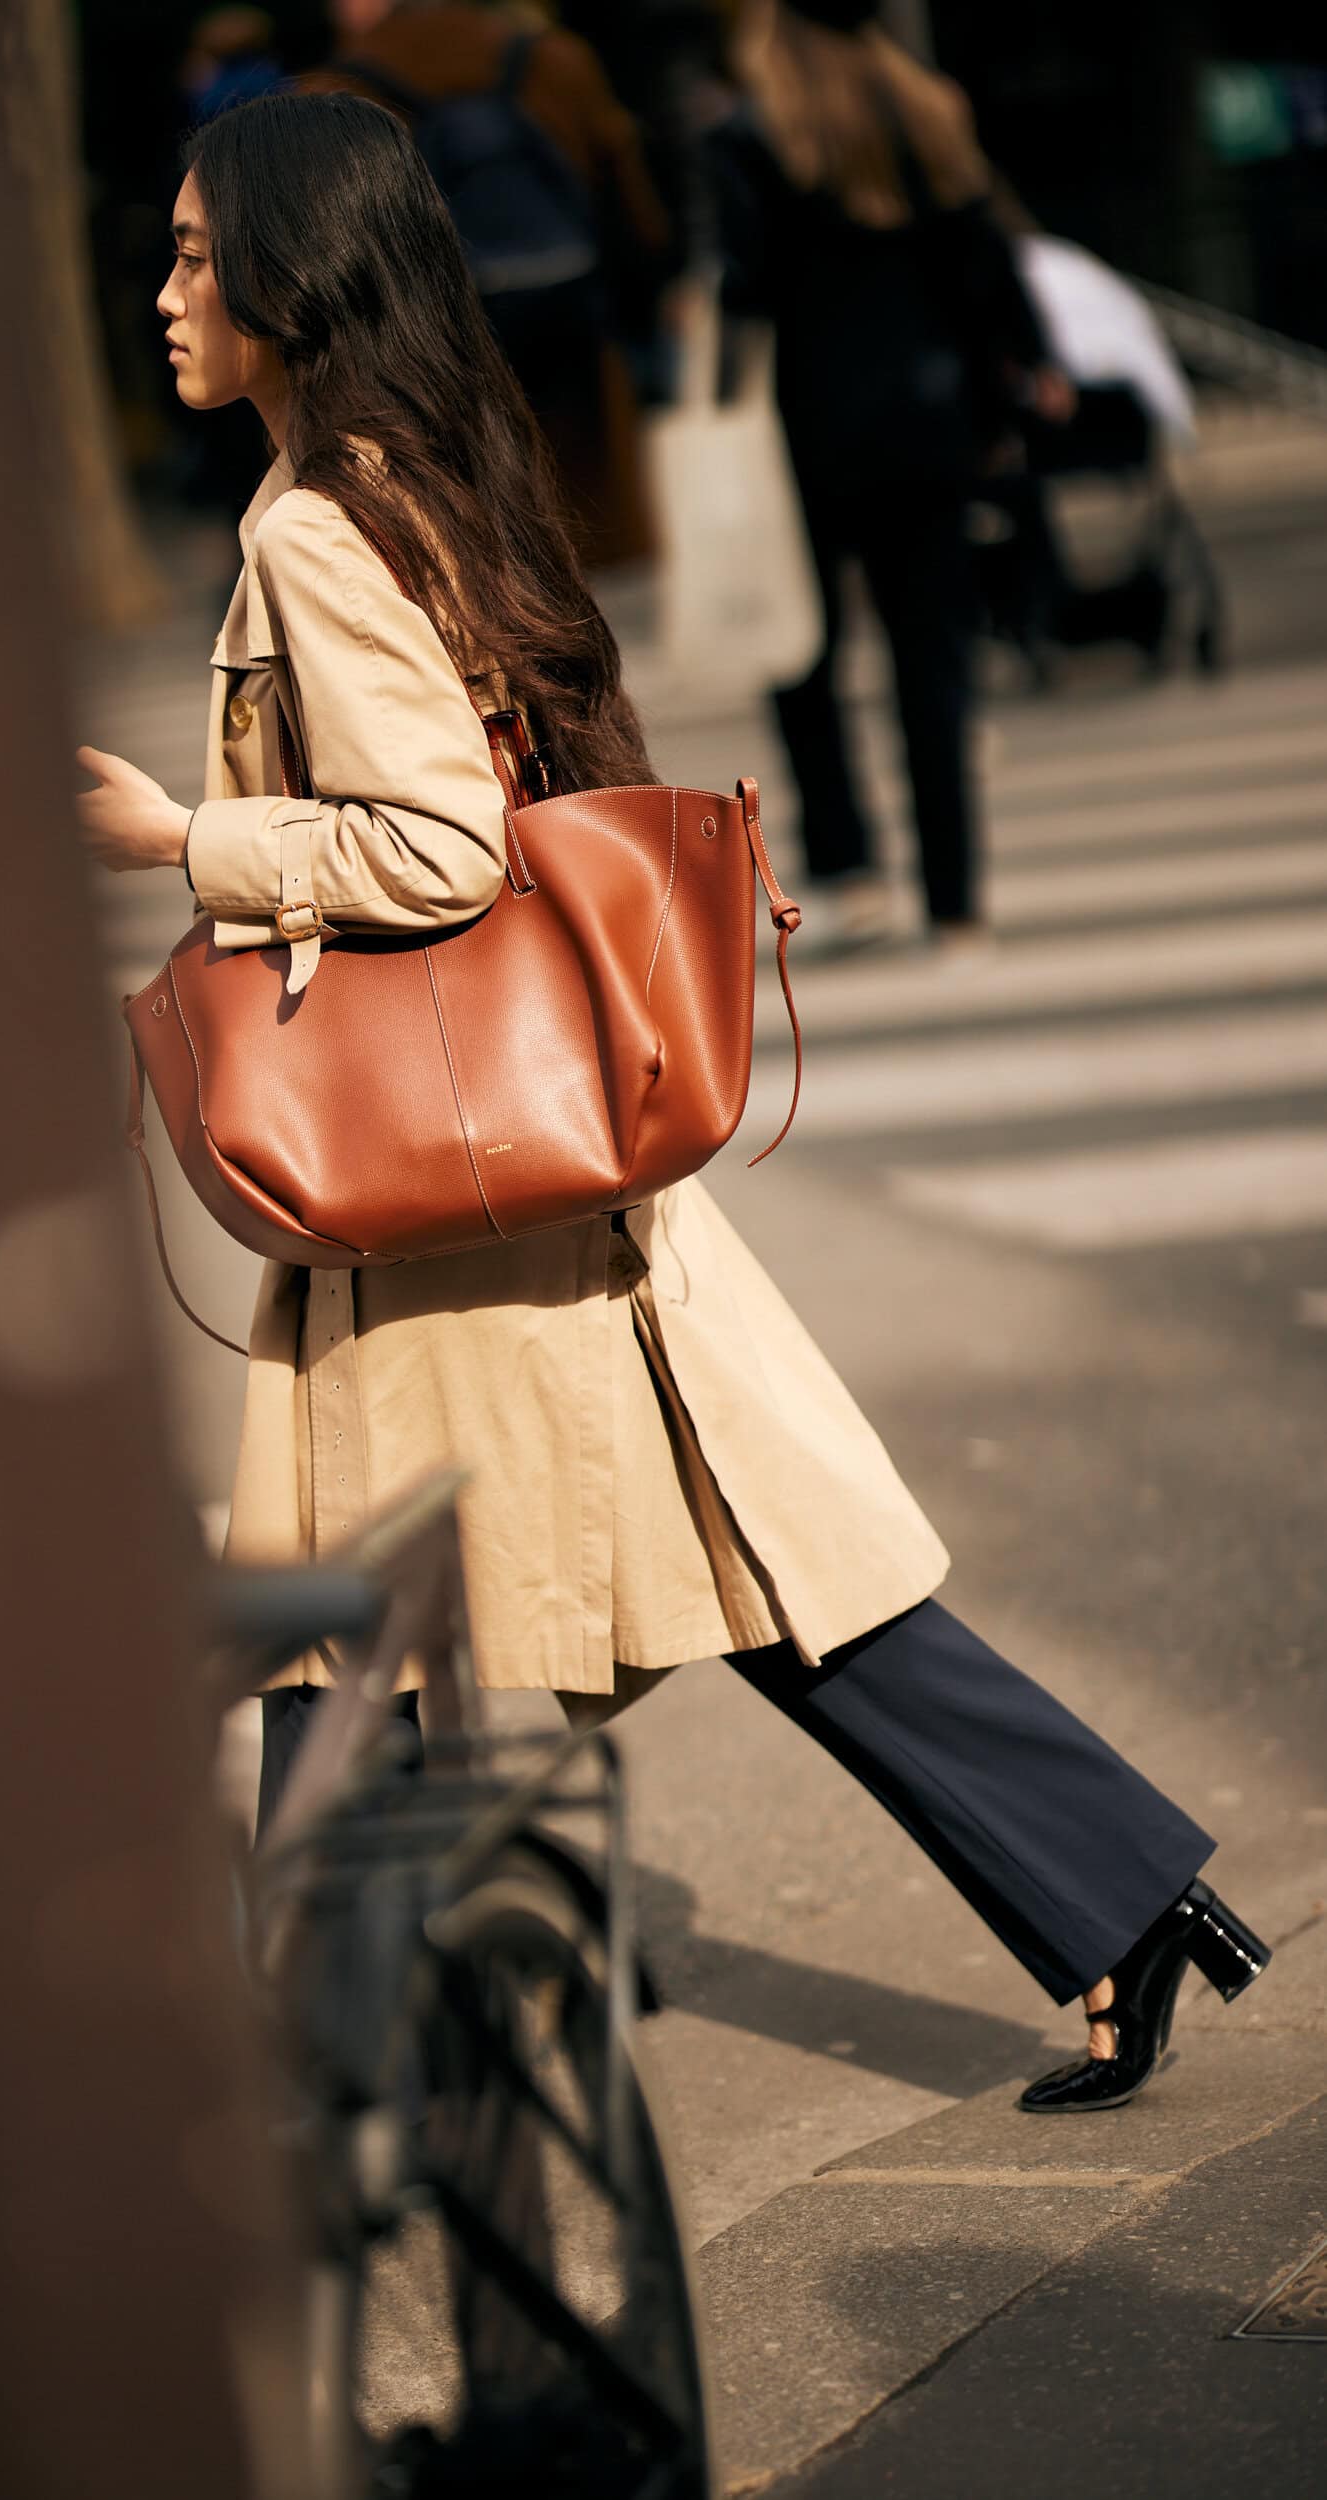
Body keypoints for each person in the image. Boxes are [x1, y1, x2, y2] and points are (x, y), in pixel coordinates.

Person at [76, 89, 1271, 2115]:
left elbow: (441, 844)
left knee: (364, 1591)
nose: (166, 289)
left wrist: (189, 840)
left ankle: (297, 2057)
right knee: (721, 1558)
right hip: (513, 1146)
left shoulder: (308, 524)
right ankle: (1113, 1892)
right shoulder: (407, 473)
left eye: (198, 255)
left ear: (292, 277)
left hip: (456, 1173)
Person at [709, 1, 1064, 953]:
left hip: (806, 430)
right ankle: (955, 902)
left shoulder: (755, 132)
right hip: (928, 424)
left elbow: (743, 291)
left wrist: (710, 399)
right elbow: (983, 269)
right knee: (932, 666)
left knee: (805, 656)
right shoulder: (924, 115)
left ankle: (848, 869)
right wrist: (1014, 386)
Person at [304, 1, 674, 568]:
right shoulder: (551, 59)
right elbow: (632, 204)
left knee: (479, 540)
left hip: (441, 351)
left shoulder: (337, 93)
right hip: (572, 322)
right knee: (583, 525)